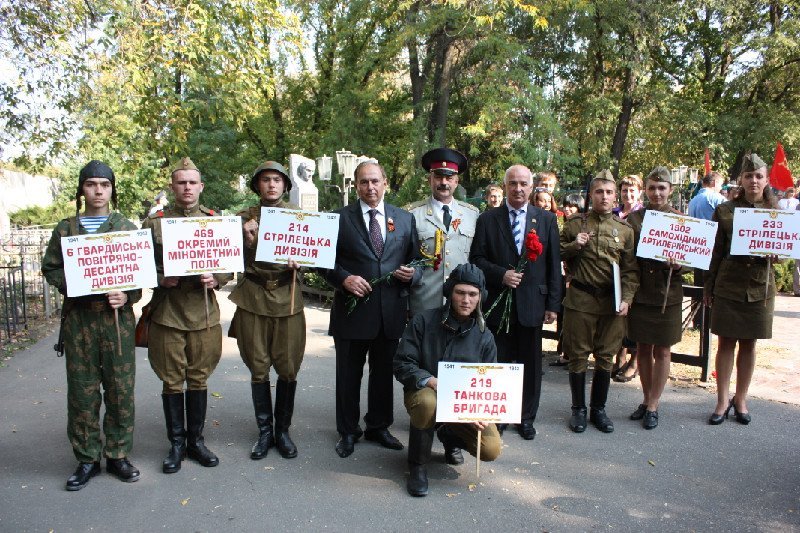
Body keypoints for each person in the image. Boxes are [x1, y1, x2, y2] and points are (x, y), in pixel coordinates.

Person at [42, 160, 141, 490]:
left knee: (120, 389)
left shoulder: (126, 228)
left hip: (116, 321)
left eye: (105, 184)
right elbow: (51, 267)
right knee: (82, 391)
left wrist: (127, 295)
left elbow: (139, 277)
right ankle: (87, 458)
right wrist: (72, 284)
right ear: (82, 189)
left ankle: (118, 454)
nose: (98, 190)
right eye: (91, 184)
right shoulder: (66, 229)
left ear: (112, 190)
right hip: (80, 319)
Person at [324, 160, 422, 458]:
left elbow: (417, 260)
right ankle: (348, 431)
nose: (370, 187)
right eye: (364, 182)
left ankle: (378, 426)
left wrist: (412, 274)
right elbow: (322, 261)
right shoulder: (337, 218)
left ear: (385, 183)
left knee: (383, 375)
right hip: (352, 311)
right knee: (348, 375)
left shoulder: (404, 219)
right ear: (356, 185)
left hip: (390, 313)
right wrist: (344, 278)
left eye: (375, 181)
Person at [141, 157, 232, 473]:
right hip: (168, 311)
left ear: (201, 186)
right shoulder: (155, 223)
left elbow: (229, 264)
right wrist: (160, 278)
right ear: (172, 187)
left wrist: (216, 278)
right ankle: (176, 444)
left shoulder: (215, 222)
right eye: (181, 183)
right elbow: (139, 266)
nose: (187, 188)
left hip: (203, 312)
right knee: (171, 379)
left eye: (192, 182)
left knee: (198, 377)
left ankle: (196, 441)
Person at [470, 164, 562, 440]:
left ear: (532, 187)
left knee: (530, 365)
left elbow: (553, 263)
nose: (518, 189)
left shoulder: (546, 219)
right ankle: (499, 415)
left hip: (533, 304)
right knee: (499, 362)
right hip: (498, 305)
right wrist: (501, 275)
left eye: (523, 184)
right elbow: (476, 259)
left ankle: (525, 417)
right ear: (505, 186)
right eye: (513, 183)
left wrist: (553, 305)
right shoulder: (488, 219)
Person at [393, 264, 501, 497]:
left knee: (491, 449)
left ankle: (448, 435)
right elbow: (402, 364)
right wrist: (430, 380)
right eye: (460, 292)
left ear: (480, 297)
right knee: (428, 402)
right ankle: (418, 466)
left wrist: (483, 411)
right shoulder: (423, 321)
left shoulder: (485, 336)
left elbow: (489, 382)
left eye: (472, 294)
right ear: (449, 292)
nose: (466, 300)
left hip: (463, 403)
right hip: (425, 392)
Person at [228, 161, 304, 460]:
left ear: (285, 185)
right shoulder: (242, 218)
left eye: (277, 180)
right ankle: (264, 432)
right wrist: (246, 241)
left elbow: (316, 255)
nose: (271, 185)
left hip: (288, 296)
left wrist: (302, 262)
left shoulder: (299, 218)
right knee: (258, 366)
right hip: (253, 297)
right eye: (265, 180)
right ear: (257, 185)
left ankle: (282, 431)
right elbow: (226, 258)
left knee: (288, 366)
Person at [560, 169, 639, 434]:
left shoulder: (624, 230)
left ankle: (598, 409)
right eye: (598, 192)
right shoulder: (574, 224)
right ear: (590, 195)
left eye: (608, 192)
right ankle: (578, 409)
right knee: (578, 355)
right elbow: (555, 253)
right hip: (581, 300)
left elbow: (630, 270)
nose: (604, 197)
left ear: (615, 196)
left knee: (606, 356)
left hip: (611, 303)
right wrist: (575, 245)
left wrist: (627, 298)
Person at [705, 153, 780, 425]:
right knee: (725, 342)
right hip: (729, 284)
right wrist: (708, 287)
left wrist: (778, 256)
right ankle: (722, 400)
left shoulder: (777, 213)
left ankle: (741, 399)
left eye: (759, 176)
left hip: (760, 286)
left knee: (749, 343)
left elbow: (784, 250)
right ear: (741, 179)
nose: (753, 181)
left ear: (766, 180)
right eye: (749, 176)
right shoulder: (725, 211)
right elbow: (715, 252)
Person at [626, 167, 685, 429]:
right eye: (652, 188)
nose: (657, 193)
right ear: (645, 191)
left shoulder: (681, 220)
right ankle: (646, 397)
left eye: (662, 188)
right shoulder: (634, 219)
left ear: (670, 190)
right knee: (643, 348)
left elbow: (693, 255)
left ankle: (654, 404)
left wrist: (680, 264)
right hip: (641, 291)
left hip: (667, 293)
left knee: (662, 349)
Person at [408, 148, 479, 315]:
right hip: (424, 302)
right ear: (429, 180)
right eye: (438, 177)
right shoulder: (412, 215)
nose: (444, 182)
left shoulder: (472, 214)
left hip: (461, 305)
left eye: (449, 178)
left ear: (456, 181)